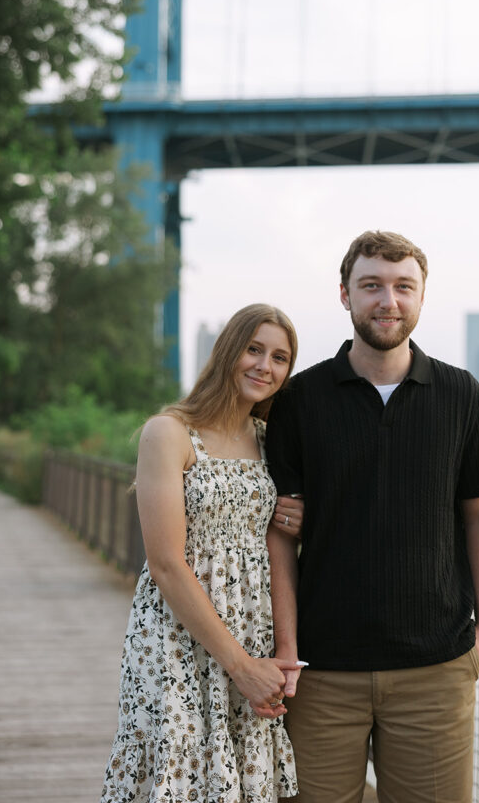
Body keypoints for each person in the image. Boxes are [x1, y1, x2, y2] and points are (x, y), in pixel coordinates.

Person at [266, 231, 479, 803]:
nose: (388, 300)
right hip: (321, 669)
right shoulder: (301, 400)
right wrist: (287, 649)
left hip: (435, 670)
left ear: (422, 297)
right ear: (345, 294)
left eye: (404, 286)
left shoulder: (462, 394)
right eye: (372, 285)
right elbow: (279, 534)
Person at [101, 303, 305, 803]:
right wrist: (240, 666)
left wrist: (283, 652)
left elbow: (278, 546)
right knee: (178, 770)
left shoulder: (269, 439)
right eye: (254, 349)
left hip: (250, 628)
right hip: (175, 636)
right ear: (227, 351)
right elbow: (167, 564)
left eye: (280, 358)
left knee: (236, 776)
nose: (265, 366)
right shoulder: (169, 433)